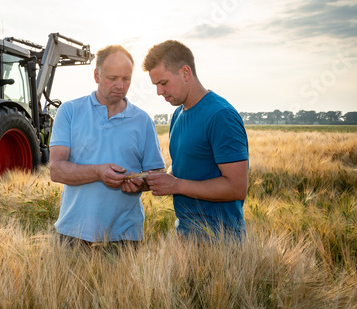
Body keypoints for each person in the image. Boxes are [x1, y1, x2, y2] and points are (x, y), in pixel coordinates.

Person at [49, 45, 165, 246]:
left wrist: (140, 183)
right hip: (73, 233)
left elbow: (156, 175)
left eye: (126, 79)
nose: (120, 85)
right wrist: (98, 172)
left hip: (125, 238)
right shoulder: (69, 112)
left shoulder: (143, 121)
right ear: (96, 75)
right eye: (112, 78)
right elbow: (56, 170)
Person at [142, 40, 249, 241]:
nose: (159, 92)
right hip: (185, 235)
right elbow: (184, 168)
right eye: (156, 85)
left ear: (185, 73)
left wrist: (176, 186)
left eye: (163, 83)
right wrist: (150, 180)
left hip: (221, 241)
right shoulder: (177, 115)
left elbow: (237, 187)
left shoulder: (220, 115)